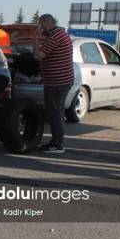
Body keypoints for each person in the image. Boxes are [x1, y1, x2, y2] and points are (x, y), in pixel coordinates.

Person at [33, 14, 74, 154]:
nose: (40, 28)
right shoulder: (60, 34)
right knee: (58, 112)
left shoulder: (55, 37)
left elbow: (37, 56)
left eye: (40, 25)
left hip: (57, 82)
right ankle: (57, 142)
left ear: (46, 22)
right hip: (61, 81)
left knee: (54, 113)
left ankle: (57, 144)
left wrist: (36, 37)